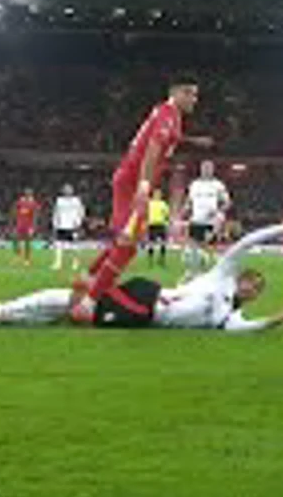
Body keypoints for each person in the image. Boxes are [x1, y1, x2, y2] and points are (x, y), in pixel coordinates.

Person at [0, 221, 283, 332]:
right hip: (146, 298)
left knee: (77, 312)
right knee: (78, 305)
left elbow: (251, 328)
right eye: (253, 282)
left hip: (146, 317)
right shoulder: (221, 276)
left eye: (258, 290)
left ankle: (5, 312)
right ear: (242, 277)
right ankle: (4, 310)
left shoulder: (228, 318)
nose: (253, 289)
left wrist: (280, 319)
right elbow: (247, 241)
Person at [69, 80, 206, 323]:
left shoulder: (169, 114)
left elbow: (168, 139)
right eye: (188, 93)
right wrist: (143, 186)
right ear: (174, 92)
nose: (193, 98)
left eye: (196, 94)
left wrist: (194, 141)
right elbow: (153, 148)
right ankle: (89, 303)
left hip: (130, 179)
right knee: (128, 243)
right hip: (133, 182)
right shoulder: (168, 114)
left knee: (126, 241)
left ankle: (87, 278)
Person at [182, 159, 232, 280]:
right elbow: (189, 201)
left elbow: (227, 203)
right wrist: (185, 209)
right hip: (196, 220)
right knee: (193, 247)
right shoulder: (194, 185)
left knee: (210, 248)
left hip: (211, 222)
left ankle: (213, 273)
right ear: (200, 169)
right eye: (204, 168)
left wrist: (218, 212)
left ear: (213, 170)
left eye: (209, 168)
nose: (206, 170)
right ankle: (194, 272)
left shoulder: (218, 185)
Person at [50, 184, 86, 271]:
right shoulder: (59, 200)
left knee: (74, 245)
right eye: (65, 189)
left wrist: (78, 222)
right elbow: (56, 212)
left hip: (72, 226)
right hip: (61, 226)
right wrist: (55, 223)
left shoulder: (76, 200)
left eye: (69, 189)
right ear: (63, 191)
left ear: (72, 191)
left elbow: (81, 212)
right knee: (58, 245)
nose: (67, 191)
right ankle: (58, 263)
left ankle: (75, 263)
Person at [12, 188, 40, 265]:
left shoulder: (33, 203)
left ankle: (27, 259)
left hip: (28, 225)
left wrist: (33, 227)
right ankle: (17, 255)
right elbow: (15, 211)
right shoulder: (20, 201)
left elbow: (35, 216)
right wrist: (15, 223)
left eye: (29, 193)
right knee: (14, 239)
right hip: (19, 224)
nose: (27, 194)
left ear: (31, 194)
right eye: (26, 192)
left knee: (28, 242)